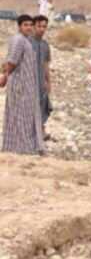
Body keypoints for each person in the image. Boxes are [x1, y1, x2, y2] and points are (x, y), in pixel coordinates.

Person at [0, 14, 45, 155]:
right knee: (20, 116)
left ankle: (21, 146)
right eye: (25, 25)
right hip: (20, 85)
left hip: (27, 85)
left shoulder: (26, 40)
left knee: (25, 115)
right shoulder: (19, 40)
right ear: (19, 26)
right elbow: (12, 62)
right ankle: (20, 147)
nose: (29, 28)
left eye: (30, 25)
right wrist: (4, 77)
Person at [30, 15, 53, 129]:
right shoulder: (26, 43)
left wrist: (48, 82)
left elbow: (45, 64)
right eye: (39, 26)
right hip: (28, 82)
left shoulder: (45, 45)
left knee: (42, 106)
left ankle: (40, 131)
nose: (42, 29)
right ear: (33, 26)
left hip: (40, 82)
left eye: (44, 26)